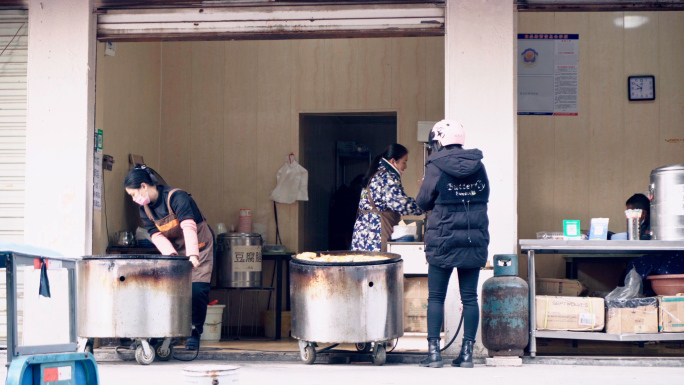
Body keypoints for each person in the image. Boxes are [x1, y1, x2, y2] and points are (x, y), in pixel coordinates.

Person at [416, 120, 490, 368]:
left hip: (443, 240)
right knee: (469, 298)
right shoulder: (478, 166)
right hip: (472, 239)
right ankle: (467, 355)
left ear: (438, 141)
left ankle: (434, 354)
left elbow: (423, 202)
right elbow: (485, 196)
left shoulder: (435, 166)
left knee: (436, 297)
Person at [124, 165, 214, 350]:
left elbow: (188, 226)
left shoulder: (176, 197)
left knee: (196, 291)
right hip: (175, 249)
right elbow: (155, 234)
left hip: (199, 246)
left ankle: (194, 332)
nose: (134, 199)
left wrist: (192, 255)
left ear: (143, 186)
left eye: (134, 194)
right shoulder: (145, 208)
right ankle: (165, 333)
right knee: (167, 292)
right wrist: (171, 256)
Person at [351, 144, 423, 252]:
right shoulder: (386, 177)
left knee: (363, 265)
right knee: (377, 265)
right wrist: (423, 205)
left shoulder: (376, 174)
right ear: (393, 161)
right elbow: (400, 203)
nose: (405, 167)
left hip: (363, 231)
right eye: (404, 162)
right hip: (375, 232)